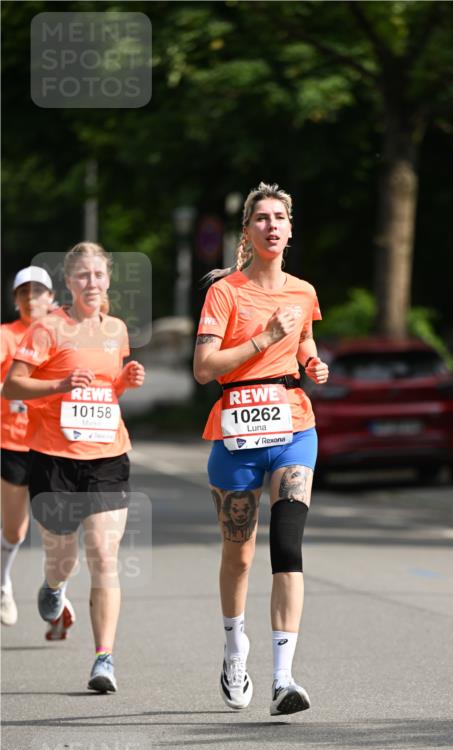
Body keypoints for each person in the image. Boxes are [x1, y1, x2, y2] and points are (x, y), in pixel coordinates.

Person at [193, 181, 329, 716]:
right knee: (239, 555)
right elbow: (204, 370)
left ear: (291, 229)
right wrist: (263, 338)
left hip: (295, 427)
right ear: (247, 232)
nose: (271, 225)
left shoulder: (304, 291)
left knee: (289, 546)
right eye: (261, 219)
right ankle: (235, 650)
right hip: (237, 434)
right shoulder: (225, 292)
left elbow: (306, 345)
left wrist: (314, 363)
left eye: (280, 218)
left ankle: (284, 679)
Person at [2, 242, 145, 691]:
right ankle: (53, 587)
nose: (92, 284)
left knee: (104, 554)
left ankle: (104, 658)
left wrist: (125, 380)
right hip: (53, 459)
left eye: (99, 276)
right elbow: (12, 387)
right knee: (61, 560)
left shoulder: (117, 330)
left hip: (107, 456)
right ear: (68, 281)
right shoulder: (47, 330)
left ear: (108, 281)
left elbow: (106, 391)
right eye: (83, 276)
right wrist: (59, 382)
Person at [0, 267, 55, 625]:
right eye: (25, 293)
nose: (31, 299)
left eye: (38, 292)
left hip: (51, 442)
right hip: (12, 440)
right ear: (16, 298)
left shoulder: (60, 335)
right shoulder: (6, 336)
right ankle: (3, 582)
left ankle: (56, 588)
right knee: (16, 528)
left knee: (58, 527)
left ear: (51, 298)